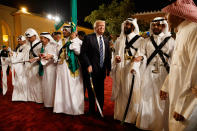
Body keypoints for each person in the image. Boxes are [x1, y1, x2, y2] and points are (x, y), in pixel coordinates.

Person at [160, 0, 197, 130]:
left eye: (168, 13)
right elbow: (177, 65)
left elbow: (195, 72)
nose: (166, 17)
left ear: (178, 14)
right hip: (177, 93)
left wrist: (183, 106)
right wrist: (165, 86)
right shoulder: (181, 32)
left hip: (188, 106)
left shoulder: (194, 31)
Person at [136, 17, 175, 131]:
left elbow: (174, 59)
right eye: (154, 25)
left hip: (164, 73)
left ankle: (160, 126)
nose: (156, 27)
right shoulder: (146, 41)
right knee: (147, 98)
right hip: (148, 72)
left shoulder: (171, 41)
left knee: (162, 100)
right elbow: (142, 53)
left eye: (159, 25)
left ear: (164, 26)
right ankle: (146, 124)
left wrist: (172, 74)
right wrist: (140, 58)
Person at [111, 18, 143, 123]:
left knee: (131, 91)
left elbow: (142, 55)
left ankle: (131, 118)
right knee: (121, 92)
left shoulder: (140, 40)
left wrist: (137, 62)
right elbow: (115, 54)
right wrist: (116, 59)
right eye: (125, 25)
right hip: (121, 69)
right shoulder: (119, 40)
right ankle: (120, 115)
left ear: (133, 26)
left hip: (132, 69)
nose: (126, 26)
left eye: (128, 25)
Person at [80, 20, 111, 116]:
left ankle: (100, 110)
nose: (102, 27)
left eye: (103, 26)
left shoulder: (106, 39)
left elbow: (108, 55)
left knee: (100, 92)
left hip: (101, 70)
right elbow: (83, 54)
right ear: (95, 28)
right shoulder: (88, 38)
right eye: (100, 26)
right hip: (91, 70)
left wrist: (108, 68)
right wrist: (88, 65)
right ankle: (91, 110)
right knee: (91, 91)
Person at [53, 26, 84, 115]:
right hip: (61, 68)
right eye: (63, 30)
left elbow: (78, 51)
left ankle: (73, 108)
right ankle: (62, 108)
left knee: (72, 86)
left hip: (72, 68)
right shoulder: (60, 41)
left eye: (65, 30)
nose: (63, 31)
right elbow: (56, 54)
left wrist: (73, 40)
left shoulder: (77, 40)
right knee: (62, 86)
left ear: (71, 31)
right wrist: (53, 57)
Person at [25, 28, 43, 103]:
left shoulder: (40, 44)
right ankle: (33, 97)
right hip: (31, 65)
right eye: (27, 37)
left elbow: (42, 56)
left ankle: (40, 99)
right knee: (32, 82)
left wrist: (34, 59)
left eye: (30, 37)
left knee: (38, 82)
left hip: (37, 65)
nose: (28, 39)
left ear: (35, 36)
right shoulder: (30, 44)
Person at [39, 32, 57, 107]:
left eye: (42, 38)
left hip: (52, 68)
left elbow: (56, 56)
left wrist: (50, 56)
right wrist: (41, 56)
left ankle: (52, 103)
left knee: (51, 85)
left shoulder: (53, 45)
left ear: (47, 38)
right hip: (45, 68)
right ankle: (47, 103)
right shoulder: (44, 46)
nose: (41, 40)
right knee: (46, 84)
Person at [11, 35, 30, 101]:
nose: (18, 40)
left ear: (24, 40)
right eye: (18, 39)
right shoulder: (18, 47)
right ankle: (17, 96)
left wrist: (14, 54)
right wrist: (13, 54)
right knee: (18, 80)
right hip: (18, 66)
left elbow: (23, 56)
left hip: (23, 66)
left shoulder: (27, 47)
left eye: (20, 39)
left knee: (23, 80)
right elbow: (18, 55)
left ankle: (23, 96)